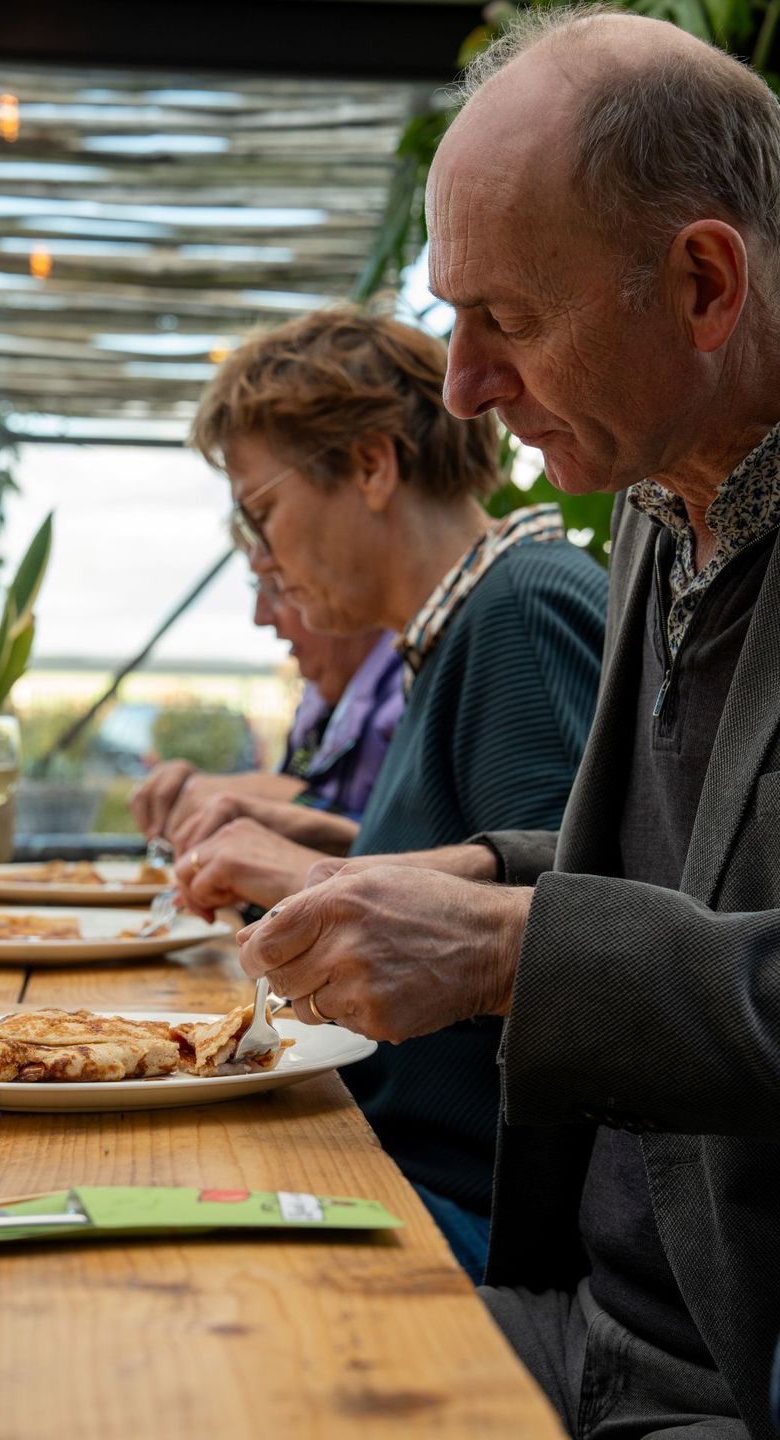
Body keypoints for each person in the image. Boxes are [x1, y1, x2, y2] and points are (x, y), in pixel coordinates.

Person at [237, 11, 780, 1435]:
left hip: (721, 1379)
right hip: (582, 1313)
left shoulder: (552, 572)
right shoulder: (660, 505)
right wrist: (475, 873)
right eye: (452, 317)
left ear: (704, 284)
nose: (464, 387)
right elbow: (685, 883)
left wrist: (506, 948)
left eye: (511, 321)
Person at [174, 304, 607, 1279]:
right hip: (403, 1166)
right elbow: (494, 865)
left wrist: (309, 871)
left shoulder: (519, 612)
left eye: (260, 513)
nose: (264, 558)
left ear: (372, 465)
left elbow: (583, 929)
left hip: (466, 1209)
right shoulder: (465, 628)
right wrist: (324, 843)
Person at [129, 577, 402, 844]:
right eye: (258, 587)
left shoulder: (410, 694)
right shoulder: (321, 700)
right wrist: (204, 791)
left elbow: (411, 850)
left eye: (277, 587)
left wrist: (284, 797)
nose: (260, 617)